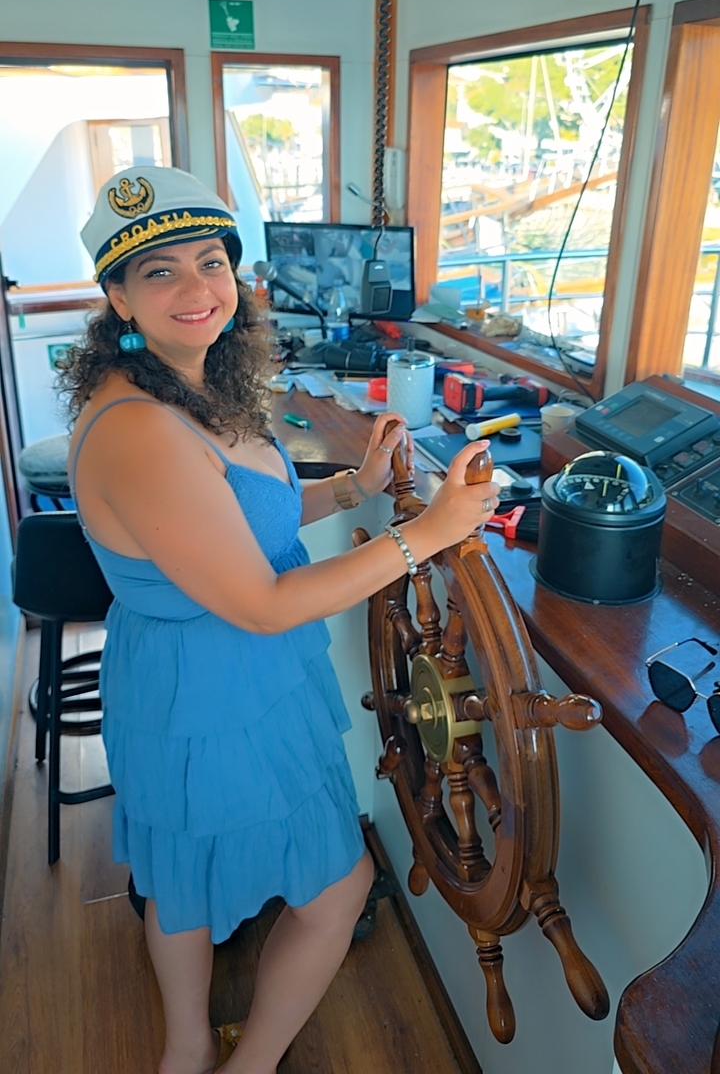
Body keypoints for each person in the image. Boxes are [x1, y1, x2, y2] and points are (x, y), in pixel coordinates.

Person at [61, 166, 499, 1074]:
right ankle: (236, 1062)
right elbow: (259, 600)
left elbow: (236, 522)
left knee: (180, 879)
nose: (197, 289)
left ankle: (188, 1050)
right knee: (337, 894)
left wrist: (350, 487)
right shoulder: (141, 428)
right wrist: (430, 532)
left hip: (220, 677)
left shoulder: (184, 383)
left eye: (211, 262)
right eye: (160, 273)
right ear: (117, 296)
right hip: (212, 685)